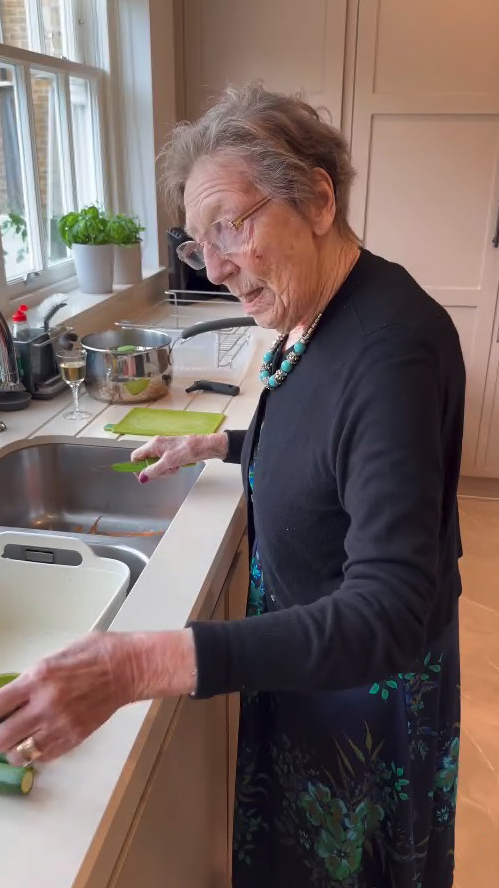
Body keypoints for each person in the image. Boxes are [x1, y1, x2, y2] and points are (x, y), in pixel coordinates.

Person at [0, 85, 465, 888]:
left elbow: (387, 609)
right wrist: (227, 442)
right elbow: (338, 451)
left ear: (316, 199)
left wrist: (136, 666)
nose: (213, 267)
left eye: (230, 227)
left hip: (358, 687)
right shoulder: (323, 310)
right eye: (197, 240)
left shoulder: (394, 347)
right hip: (304, 657)